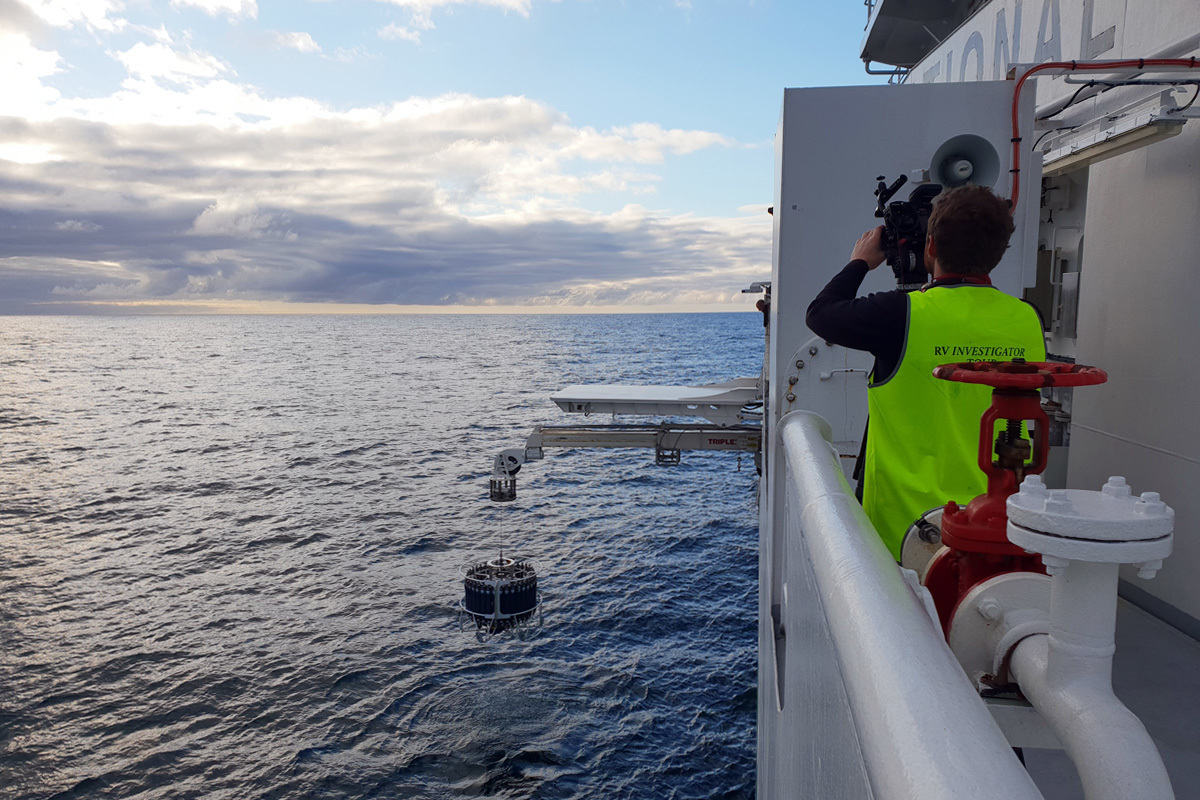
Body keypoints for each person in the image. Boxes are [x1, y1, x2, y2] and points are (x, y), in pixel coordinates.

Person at [806, 184, 1046, 560]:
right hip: (995, 525)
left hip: (904, 534)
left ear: (931, 247)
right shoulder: (1028, 318)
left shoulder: (901, 314)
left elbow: (820, 313)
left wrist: (860, 261)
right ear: (998, 254)